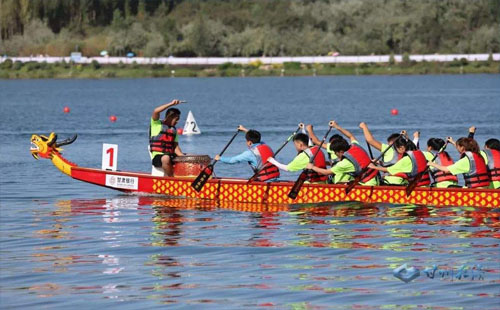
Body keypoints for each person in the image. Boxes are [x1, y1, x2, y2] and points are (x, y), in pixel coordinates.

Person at [305, 121, 378, 186]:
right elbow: (351, 136)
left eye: (335, 153)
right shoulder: (355, 145)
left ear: (341, 152)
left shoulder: (345, 163)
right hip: (375, 179)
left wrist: (312, 167)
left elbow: (326, 172)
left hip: (368, 185)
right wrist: (337, 126)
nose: (335, 154)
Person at [214, 126, 280, 181]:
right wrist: (244, 129)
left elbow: (232, 160)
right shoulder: (265, 145)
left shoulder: (250, 153)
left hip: (264, 181)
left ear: (249, 143)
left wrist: (220, 158)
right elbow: (255, 137)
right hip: (274, 178)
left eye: (246, 141)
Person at [149, 99, 185, 176]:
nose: (177, 122)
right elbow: (156, 111)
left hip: (170, 155)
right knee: (166, 158)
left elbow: (176, 148)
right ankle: (171, 179)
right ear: (170, 117)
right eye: (176, 119)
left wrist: (185, 158)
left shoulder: (174, 130)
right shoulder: (156, 124)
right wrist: (171, 104)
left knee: (189, 159)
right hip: (158, 157)